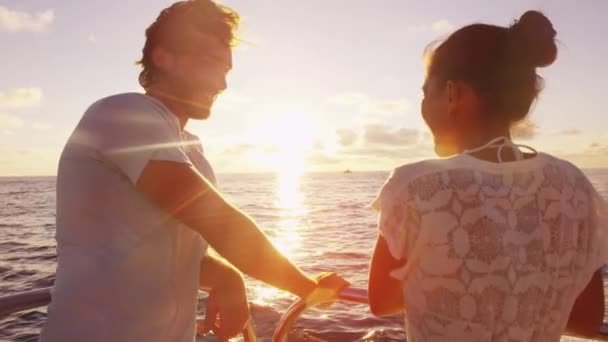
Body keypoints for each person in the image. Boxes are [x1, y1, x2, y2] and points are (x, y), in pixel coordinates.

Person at [40, 1, 347, 341]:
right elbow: (215, 220)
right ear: (162, 57)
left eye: (226, 69)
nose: (222, 83)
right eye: (212, 63)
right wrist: (305, 286)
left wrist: (229, 278)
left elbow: (176, 253)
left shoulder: (188, 147)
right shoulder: (122, 113)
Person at [367, 10, 607, 342]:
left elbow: (381, 301)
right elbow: (587, 319)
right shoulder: (575, 188)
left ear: (452, 94)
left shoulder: (416, 188)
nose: (423, 106)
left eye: (426, 94)